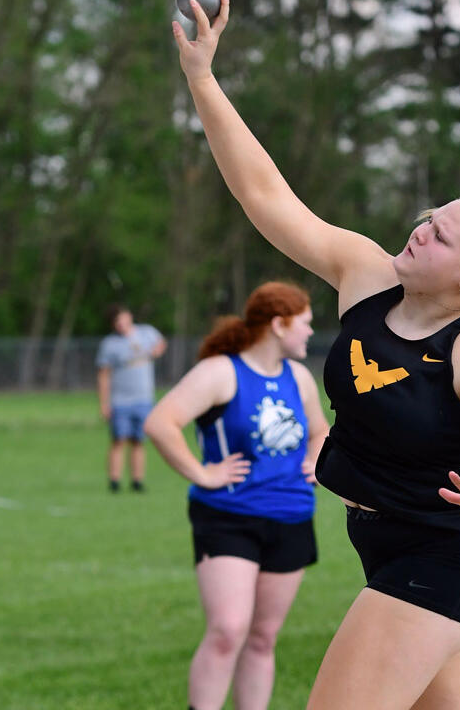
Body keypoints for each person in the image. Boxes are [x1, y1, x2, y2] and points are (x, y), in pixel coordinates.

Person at [170, 0, 460, 709]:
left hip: (448, 558)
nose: (422, 231)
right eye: (431, 218)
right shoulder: (366, 274)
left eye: (442, 236)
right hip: (390, 546)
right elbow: (267, 197)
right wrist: (202, 80)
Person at [144, 281, 329, 710]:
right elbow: (161, 422)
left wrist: (316, 461)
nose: (309, 333)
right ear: (279, 325)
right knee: (228, 630)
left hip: (292, 516)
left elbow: (321, 430)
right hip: (228, 516)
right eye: (305, 324)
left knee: (263, 638)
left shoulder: (298, 376)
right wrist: (202, 473)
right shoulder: (221, 372)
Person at [96, 304, 166, 492]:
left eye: (123, 318)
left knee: (138, 441)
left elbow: (161, 343)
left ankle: (137, 481)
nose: (121, 324)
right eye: (116, 321)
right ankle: (114, 481)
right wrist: (104, 403)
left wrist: (156, 351)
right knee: (119, 440)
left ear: (130, 316)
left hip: (144, 399)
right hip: (120, 401)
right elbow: (104, 375)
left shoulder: (146, 333)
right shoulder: (109, 344)